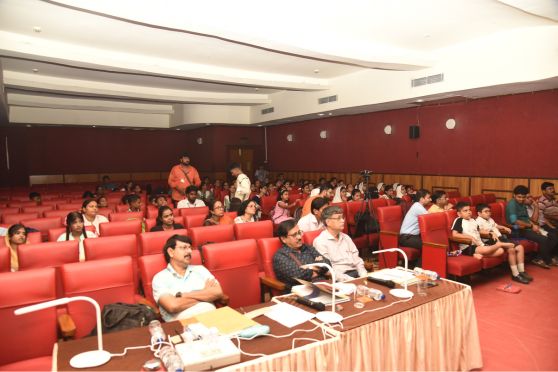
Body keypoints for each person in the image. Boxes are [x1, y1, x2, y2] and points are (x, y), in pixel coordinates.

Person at [152, 235, 223, 321]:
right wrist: (205, 293)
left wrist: (184, 295)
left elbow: (218, 292)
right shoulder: (160, 278)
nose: (189, 251)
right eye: (184, 247)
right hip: (183, 325)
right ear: (171, 252)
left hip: (213, 318)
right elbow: (173, 306)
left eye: (190, 248)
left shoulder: (200, 269)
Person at [475, 203, 532, 283]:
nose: (488, 213)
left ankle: (521, 271)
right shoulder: (477, 221)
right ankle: (515, 274)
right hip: (491, 240)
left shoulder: (490, 219)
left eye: (489, 211)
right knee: (511, 249)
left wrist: (504, 227)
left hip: (501, 238)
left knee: (520, 247)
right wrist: (490, 233)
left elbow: (496, 226)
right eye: (486, 211)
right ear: (479, 213)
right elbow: (479, 231)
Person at [506, 185, 557, 269]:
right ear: (514, 195)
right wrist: (531, 226)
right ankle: (545, 259)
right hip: (518, 229)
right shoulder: (512, 204)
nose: (521, 199)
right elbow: (514, 221)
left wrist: (534, 225)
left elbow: (527, 218)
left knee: (553, 236)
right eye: (519, 197)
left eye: (523, 197)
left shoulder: (522, 203)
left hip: (528, 227)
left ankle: (540, 258)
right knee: (543, 239)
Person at [273, 220, 331, 292]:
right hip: (301, 292)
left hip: (323, 285)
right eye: (294, 235)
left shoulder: (307, 247)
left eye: (299, 232)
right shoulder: (280, 256)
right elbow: (298, 276)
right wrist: (319, 268)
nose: (299, 237)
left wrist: (312, 270)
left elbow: (327, 263)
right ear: (283, 239)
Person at [313, 206, 367, 281]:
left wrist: (363, 274)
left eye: (342, 218)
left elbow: (357, 259)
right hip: (339, 278)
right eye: (338, 218)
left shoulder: (346, 237)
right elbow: (327, 270)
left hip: (356, 273)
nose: (342, 221)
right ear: (328, 222)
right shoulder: (320, 241)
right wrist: (350, 279)